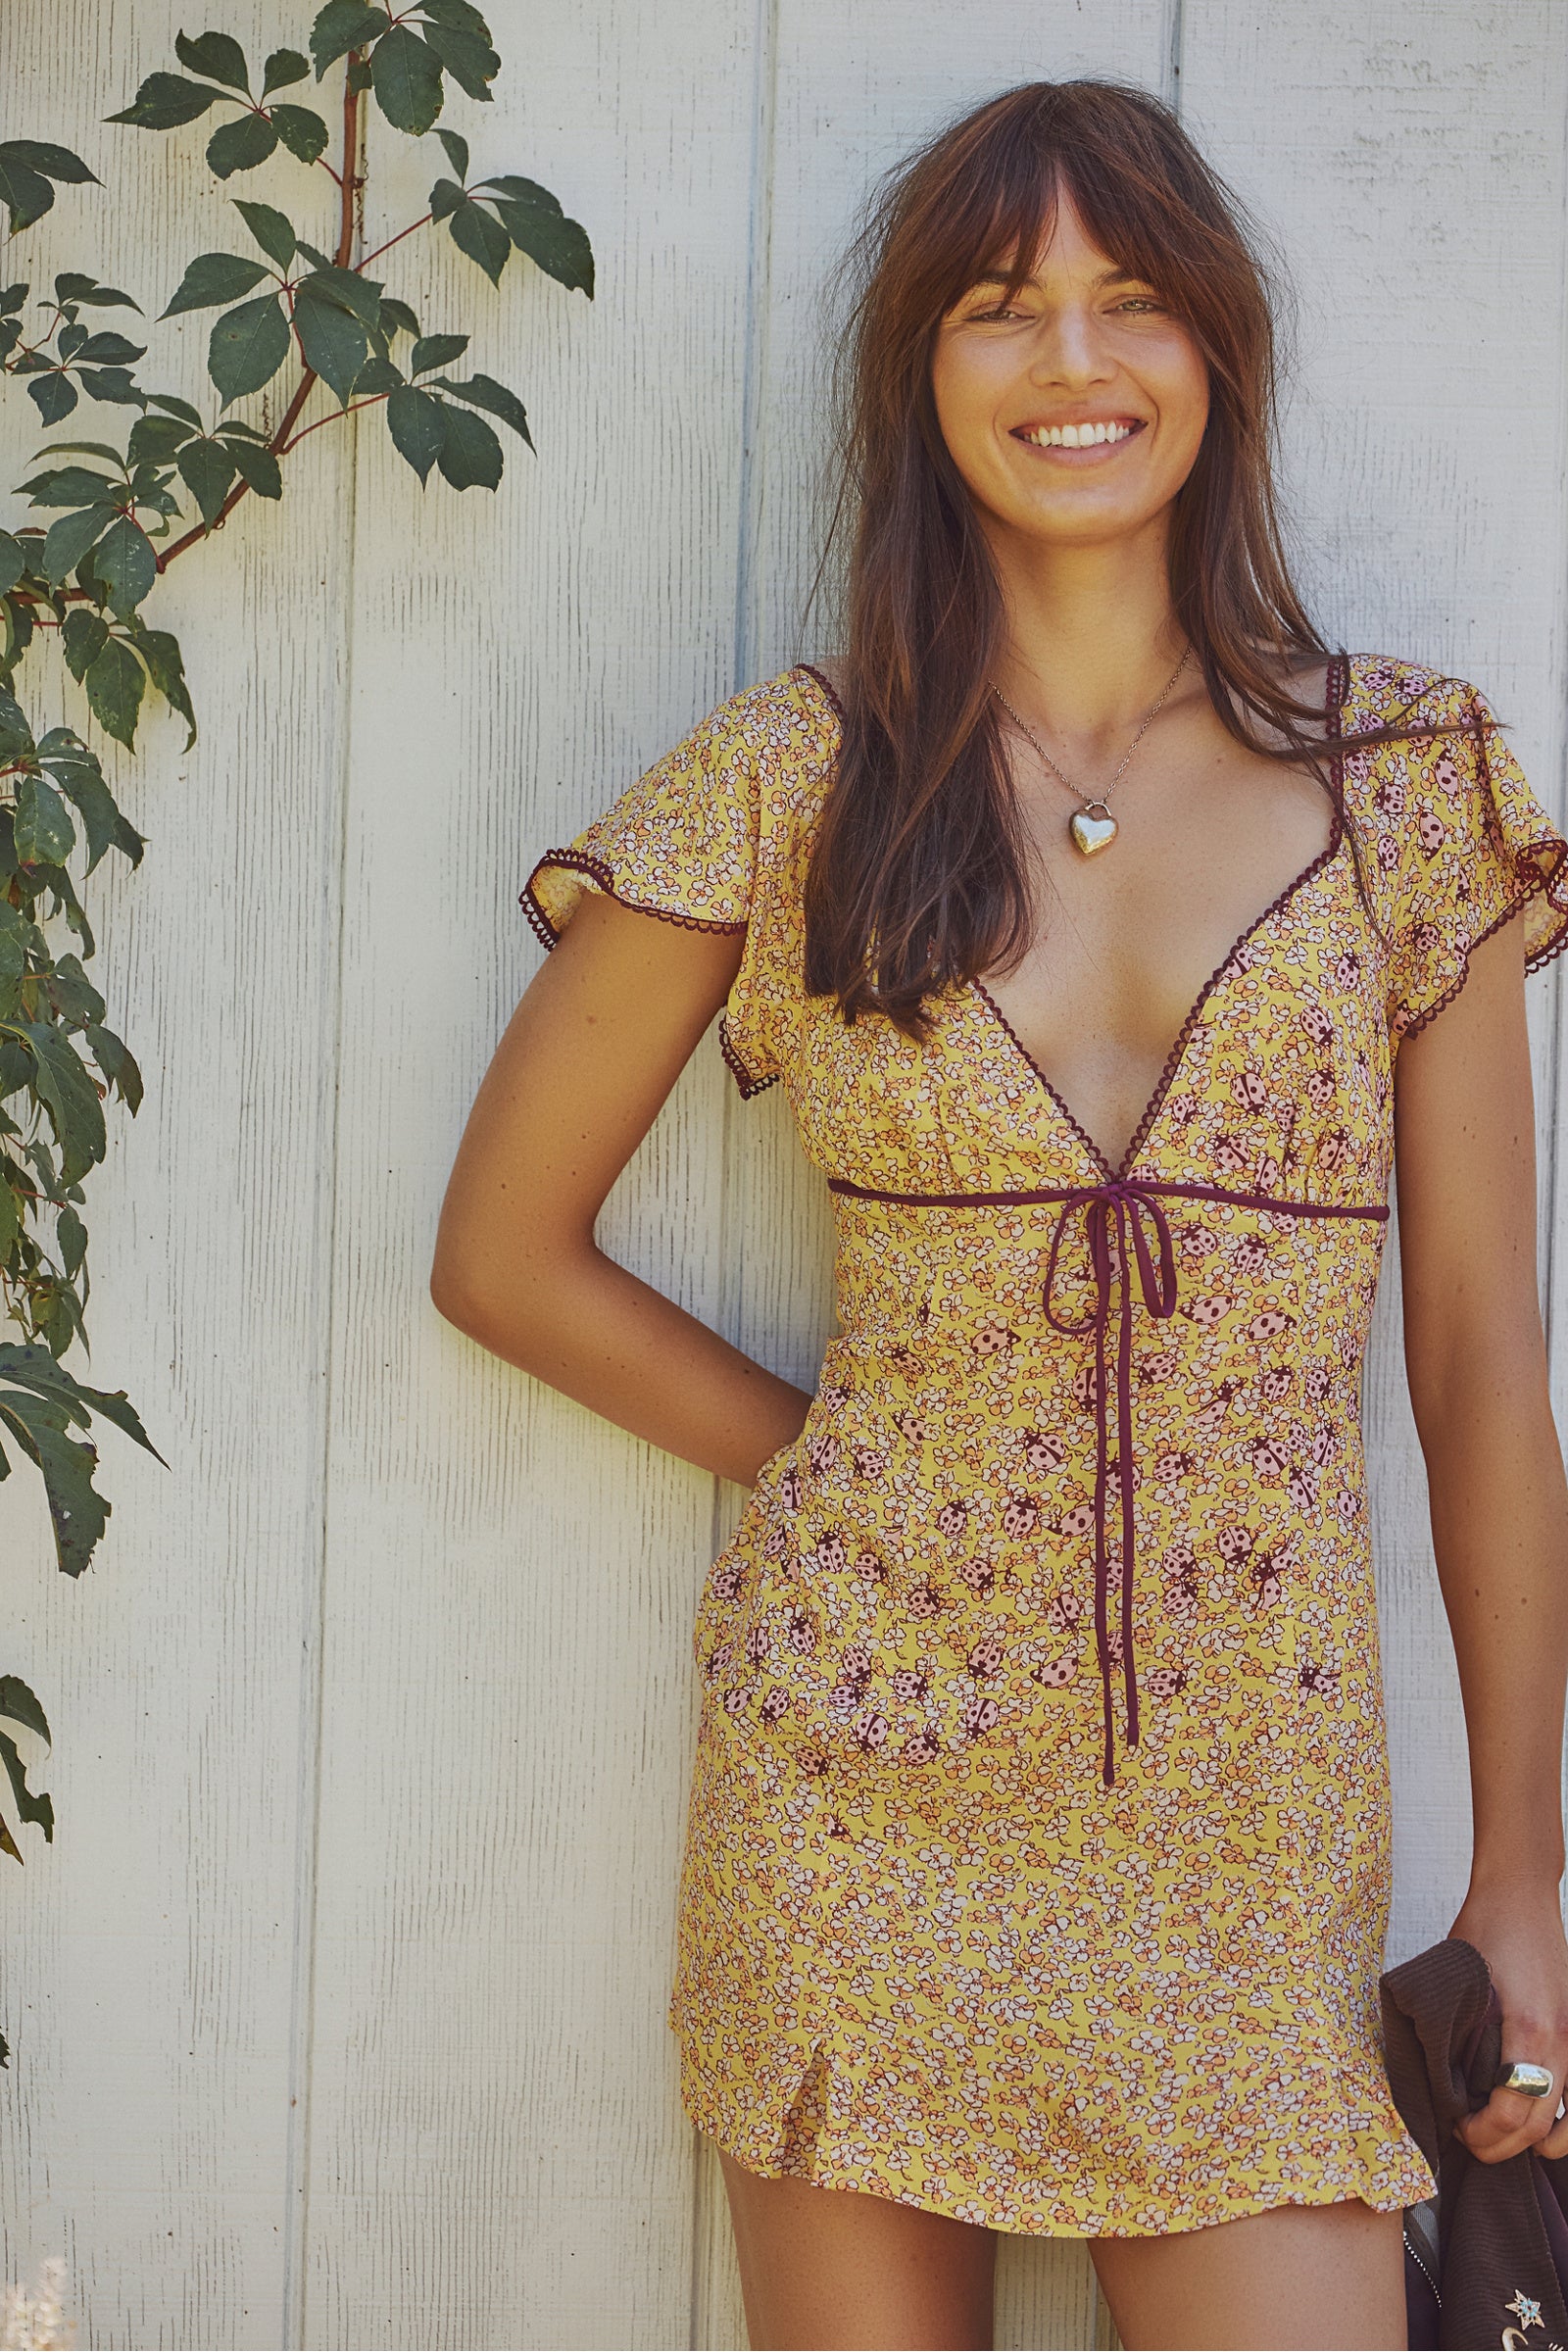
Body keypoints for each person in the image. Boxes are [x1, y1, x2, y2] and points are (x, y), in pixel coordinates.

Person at [430, 77, 1568, 2352]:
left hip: (1244, 1834)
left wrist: (1520, 1882)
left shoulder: (1402, 781)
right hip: (854, 1793)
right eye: (996, 305)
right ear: (918, 373)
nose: (1070, 359)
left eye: (1129, 297)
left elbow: (1473, 1362)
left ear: (1214, 347)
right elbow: (502, 1256)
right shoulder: (790, 778)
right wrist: (841, 1464)